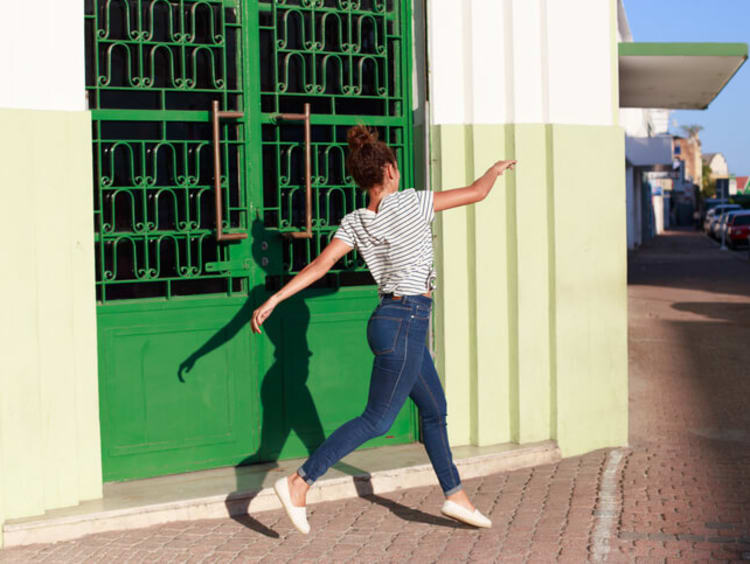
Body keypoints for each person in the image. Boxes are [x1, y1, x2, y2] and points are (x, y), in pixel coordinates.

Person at [251, 125, 516, 534]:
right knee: (377, 419)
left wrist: (272, 299)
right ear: (390, 170)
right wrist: (494, 170)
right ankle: (299, 483)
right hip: (407, 320)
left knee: (433, 410)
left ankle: (455, 496)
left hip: (389, 322)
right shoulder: (411, 202)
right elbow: (476, 192)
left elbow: (318, 267)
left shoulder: (355, 221)